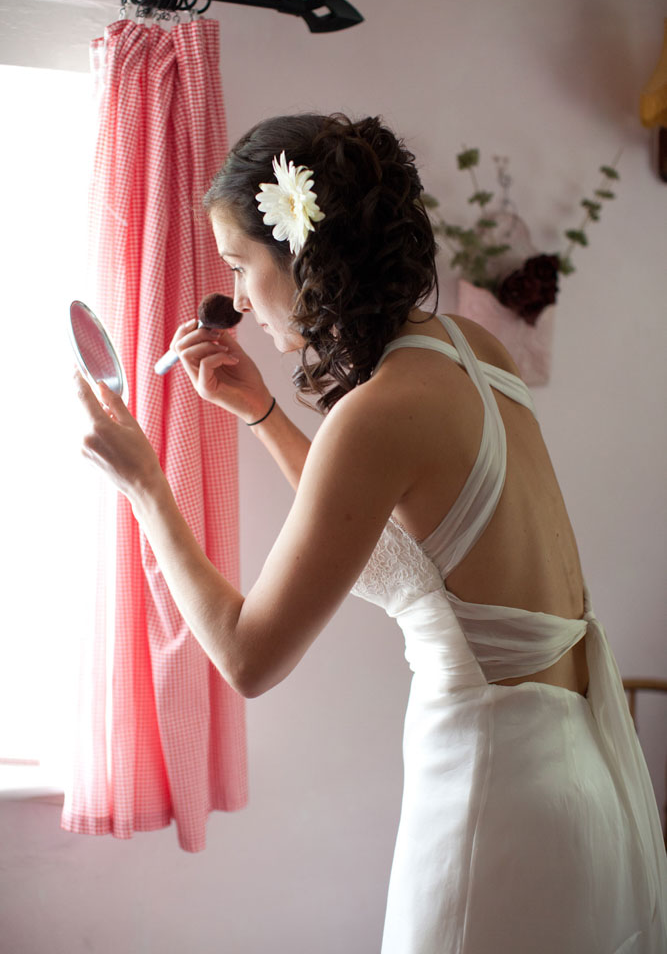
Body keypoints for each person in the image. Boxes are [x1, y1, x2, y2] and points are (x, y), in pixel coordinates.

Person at [76, 113, 666, 953]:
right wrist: (265, 415)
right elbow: (389, 535)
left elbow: (248, 658)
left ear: (306, 259)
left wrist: (144, 485)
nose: (237, 297)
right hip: (581, 782)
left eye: (242, 265)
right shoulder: (471, 351)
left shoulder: (375, 414)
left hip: (496, 797)